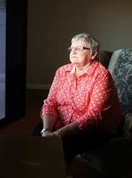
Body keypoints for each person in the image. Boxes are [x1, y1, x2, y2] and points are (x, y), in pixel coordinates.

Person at [39, 33, 123, 167]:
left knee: (64, 146)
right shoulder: (62, 71)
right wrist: (47, 130)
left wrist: (58, 134)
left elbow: (94, 116)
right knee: (36, 135)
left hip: (96, 128)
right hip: (65, 121)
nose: (73, 52)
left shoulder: (101, 75)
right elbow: (50, 103)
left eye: (79, 48)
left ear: (93, 54)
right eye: (71, 48)